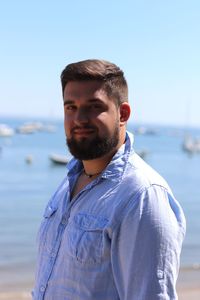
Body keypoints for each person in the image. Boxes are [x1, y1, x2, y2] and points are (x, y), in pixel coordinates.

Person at [33, 59, 186, 300]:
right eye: (70, 107)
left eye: (94, 106)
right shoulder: (69, 182)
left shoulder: (141, 196)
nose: (79, 118)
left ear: (122, 113)